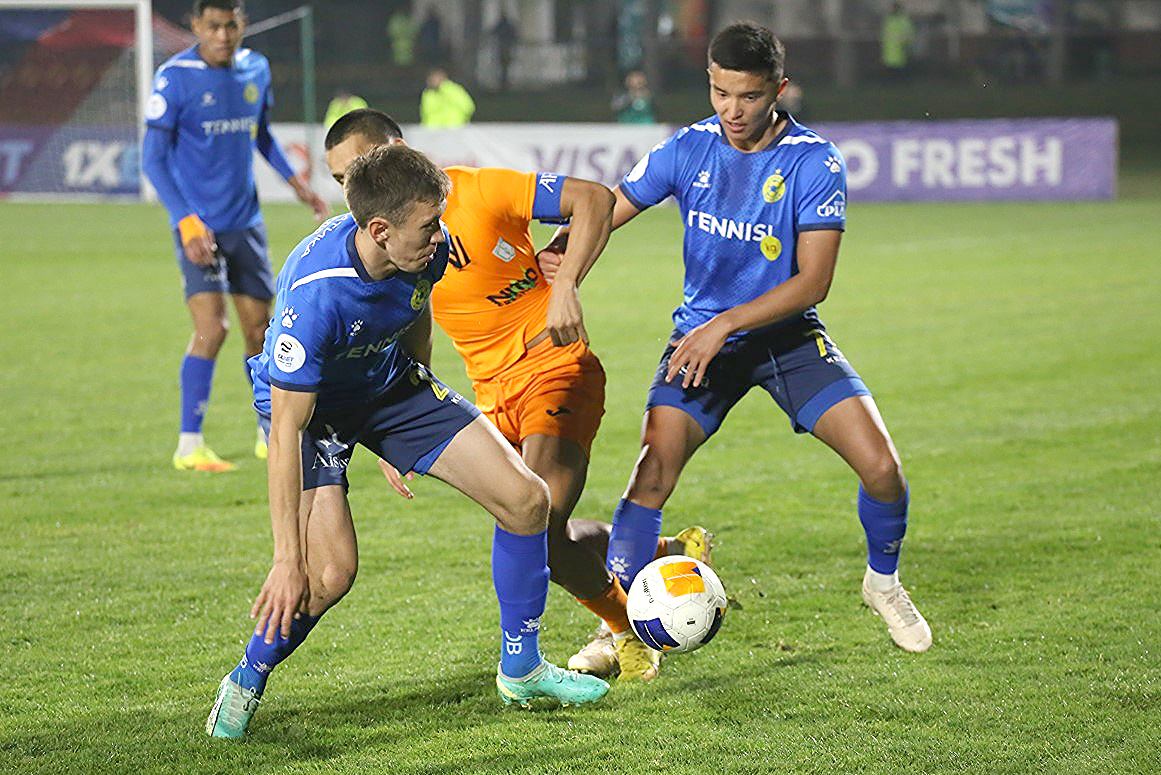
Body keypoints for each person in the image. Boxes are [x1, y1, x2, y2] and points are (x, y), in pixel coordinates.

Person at [539, 22, 932, 654]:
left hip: (786, 341)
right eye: (721, 93)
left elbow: (814, 282)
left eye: (748, 96)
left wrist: (723, 324)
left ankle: (882, 583)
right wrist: (566, 261)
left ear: (779, 89)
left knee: (883, 469)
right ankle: (622, 629)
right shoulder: (688, 148)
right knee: (651, 474)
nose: (732, 109)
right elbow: (608, 208)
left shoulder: (813, 161)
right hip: (701, 343)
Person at [204, 145, 610, 739]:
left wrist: (410, 431)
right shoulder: (315, 297)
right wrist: (287, 560)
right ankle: (246, 678)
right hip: (314, 413)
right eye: (428, 226)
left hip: (390, 386)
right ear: (379, 230)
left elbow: (414, 310)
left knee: (528, 501)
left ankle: (522, 670)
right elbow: (287, 431)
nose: (441, 236)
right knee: (330, 573)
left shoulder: (424, 247)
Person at [323, 109, 713, 682]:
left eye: (362, 165)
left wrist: (567, 284)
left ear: (399, 149)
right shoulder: (381, 242)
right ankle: (659, 554)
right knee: (538, 527)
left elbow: (594, 199)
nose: (353, 187)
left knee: (540, 526)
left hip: (553, 367)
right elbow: (414, 327)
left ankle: (625, 629)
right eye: (340, 179)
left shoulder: (477, 191)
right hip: (490, 398)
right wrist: (397, 422)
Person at [142, 0, 329, 473]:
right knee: (212, 328)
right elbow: (153, 160)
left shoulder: (255, 69)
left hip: (245, 222)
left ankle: (269, 433)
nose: (223, 36)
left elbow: (261, 134)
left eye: (230, 26)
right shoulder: (174, 78)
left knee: (260, 331)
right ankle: (189, 444)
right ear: (195, 26)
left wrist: (296, 183)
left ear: (242, 24)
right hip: (198, 226)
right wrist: (186, 221)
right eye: (213, 26)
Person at [881, 1, 916, 79]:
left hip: (899, 49)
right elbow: (884, 33)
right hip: (891, 50)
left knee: (899, 70)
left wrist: (905, 42)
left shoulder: (901, 19)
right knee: (893, 70)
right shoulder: (889, 19)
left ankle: (900, 81)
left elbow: (909, 34)